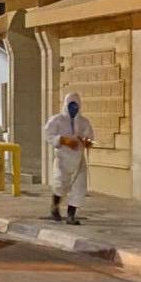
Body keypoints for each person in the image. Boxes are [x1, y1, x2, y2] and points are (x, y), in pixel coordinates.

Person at [43, 92, 94, 225]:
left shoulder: (83, 122)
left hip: (78, 160)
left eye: (76, 106)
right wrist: (63, 140)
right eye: (71, 105)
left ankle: (71, 215)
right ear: (66, 105)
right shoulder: (57, 120)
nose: (73, 109)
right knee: (60, 184)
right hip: (62, 159)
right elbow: (48, 134)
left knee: (79, 187)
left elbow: (90, 137)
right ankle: (54, 208)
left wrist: (87, 142)